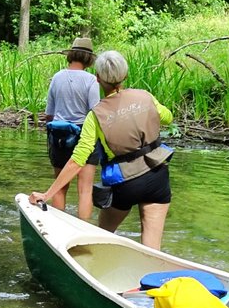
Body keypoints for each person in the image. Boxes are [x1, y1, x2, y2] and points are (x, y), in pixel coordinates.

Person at [29, 50, 174, 250]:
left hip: (126, 183)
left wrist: (47, 194)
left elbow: (78, 160)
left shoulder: (96, 116)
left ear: (97, 79)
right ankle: (152, 279)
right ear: (125, 76)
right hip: (157, 177)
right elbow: (167, 117)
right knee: (152, 249)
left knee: (99, 240)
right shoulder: (145, 96)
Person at [42, 36, 101, 219]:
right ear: (89, 59)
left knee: (60, 186)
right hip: (84, 134)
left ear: (71, 54)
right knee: (85, 189)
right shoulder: (91, 80)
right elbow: (95, 112)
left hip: (58, 135)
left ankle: (57, 227)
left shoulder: (57, 77)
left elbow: (49, 114)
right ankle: (82, 229)